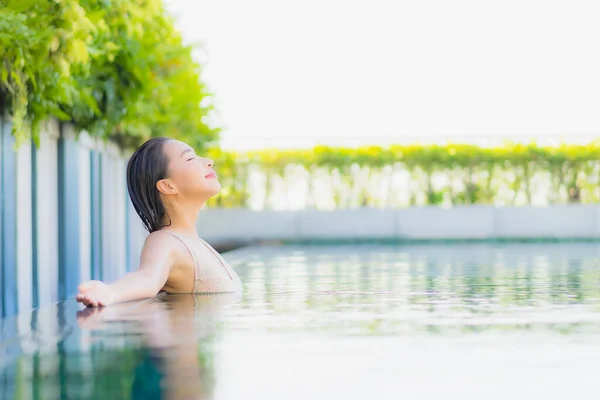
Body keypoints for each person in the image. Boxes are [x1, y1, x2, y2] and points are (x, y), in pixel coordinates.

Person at [76, 137, 242, 307]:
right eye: (190, 158)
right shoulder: (165, 241)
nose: (209, 161)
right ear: (167, 186)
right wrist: (110, 292)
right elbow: (147, 278)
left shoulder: (196, 244)